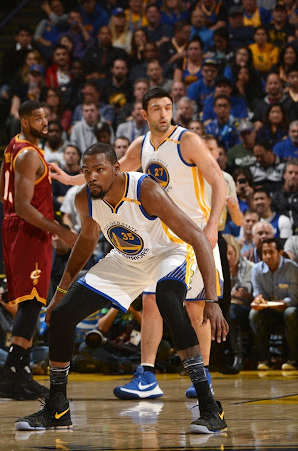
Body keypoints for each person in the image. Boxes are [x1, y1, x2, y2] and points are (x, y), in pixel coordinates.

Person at [15, 143, 228, 433]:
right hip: (125, 260)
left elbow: (198, 239)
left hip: (168, 253)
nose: (91, 177)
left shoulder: (146, 190)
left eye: (99, 170)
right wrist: (58, 295)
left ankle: (209, 406)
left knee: (167, 299)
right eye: (86, 171)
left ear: (117, 169)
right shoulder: (84, 200)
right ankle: (57, 407)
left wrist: (212, 299)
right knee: (62, 316)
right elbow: (87, 243)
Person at [51, 88, 226, 399]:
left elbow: (218, 180)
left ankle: (203, 377)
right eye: (156, 108)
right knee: (151, 302)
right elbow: (106, 170)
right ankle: (146, 373)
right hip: (155, 232)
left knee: (194, 305)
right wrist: (71, 180)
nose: (163, 113)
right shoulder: (140, 145)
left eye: (167, 107)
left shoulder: (187, 140)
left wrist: (212, 226)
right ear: (143, 114)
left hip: (193, 233)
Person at [0, 100, 77, 401]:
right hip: (28, 230)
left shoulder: (14, 146)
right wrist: (61, 230)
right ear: (24, 120)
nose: (45, 123)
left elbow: (3, 191)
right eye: (38, 118)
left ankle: (21, 374)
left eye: (47, 117)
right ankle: (8, 374)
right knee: (31, 302)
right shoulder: (28, 154)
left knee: (32, 301)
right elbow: (24, 206)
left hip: (16, 227)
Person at [250, 237, 298, 370]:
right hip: (269, 311)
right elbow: (258, 294)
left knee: (291, 313)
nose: (267, 256)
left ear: (280, 252)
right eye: (264, 253)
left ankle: (293, 360)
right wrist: (258, 300)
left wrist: (277, 303)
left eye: (271, 252)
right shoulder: (257, 270)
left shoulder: (292, 268)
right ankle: (264, 360)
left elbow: (294, 298)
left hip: (288, 310)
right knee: (254, 314)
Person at [223, 234, 254, 372]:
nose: (228, 257)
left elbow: (246, 291)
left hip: (245, 309)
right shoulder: (217, 267)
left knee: (232, 311)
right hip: (225, 308)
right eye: (224, 254)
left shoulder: (249, 267)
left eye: (230, 253)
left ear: (236, 251)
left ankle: (238, 356)